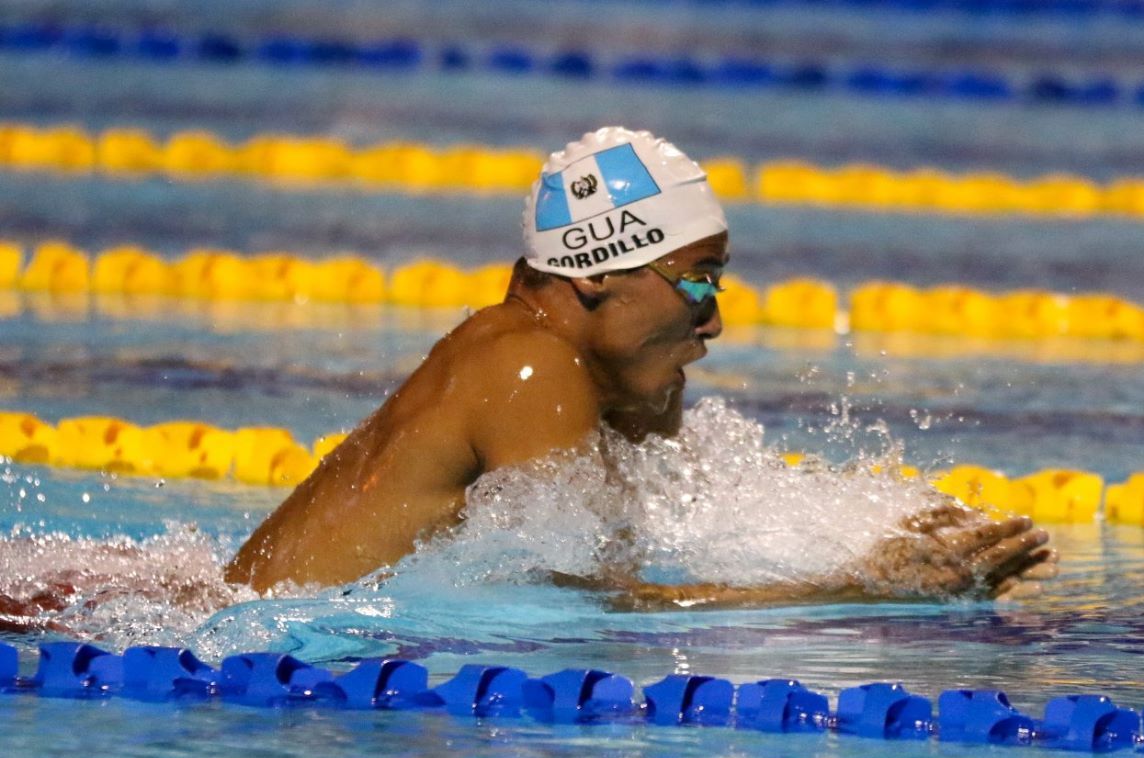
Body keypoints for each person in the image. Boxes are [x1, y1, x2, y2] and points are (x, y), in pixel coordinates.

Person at [224, 127, 1056, 607]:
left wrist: (869, 540)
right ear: (596, 270)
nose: (717, 319)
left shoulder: (549, 361)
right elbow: (597, 614)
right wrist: (860, 588)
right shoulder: (528, 368)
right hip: (260, 654)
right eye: (699, 280)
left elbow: (645, 540)